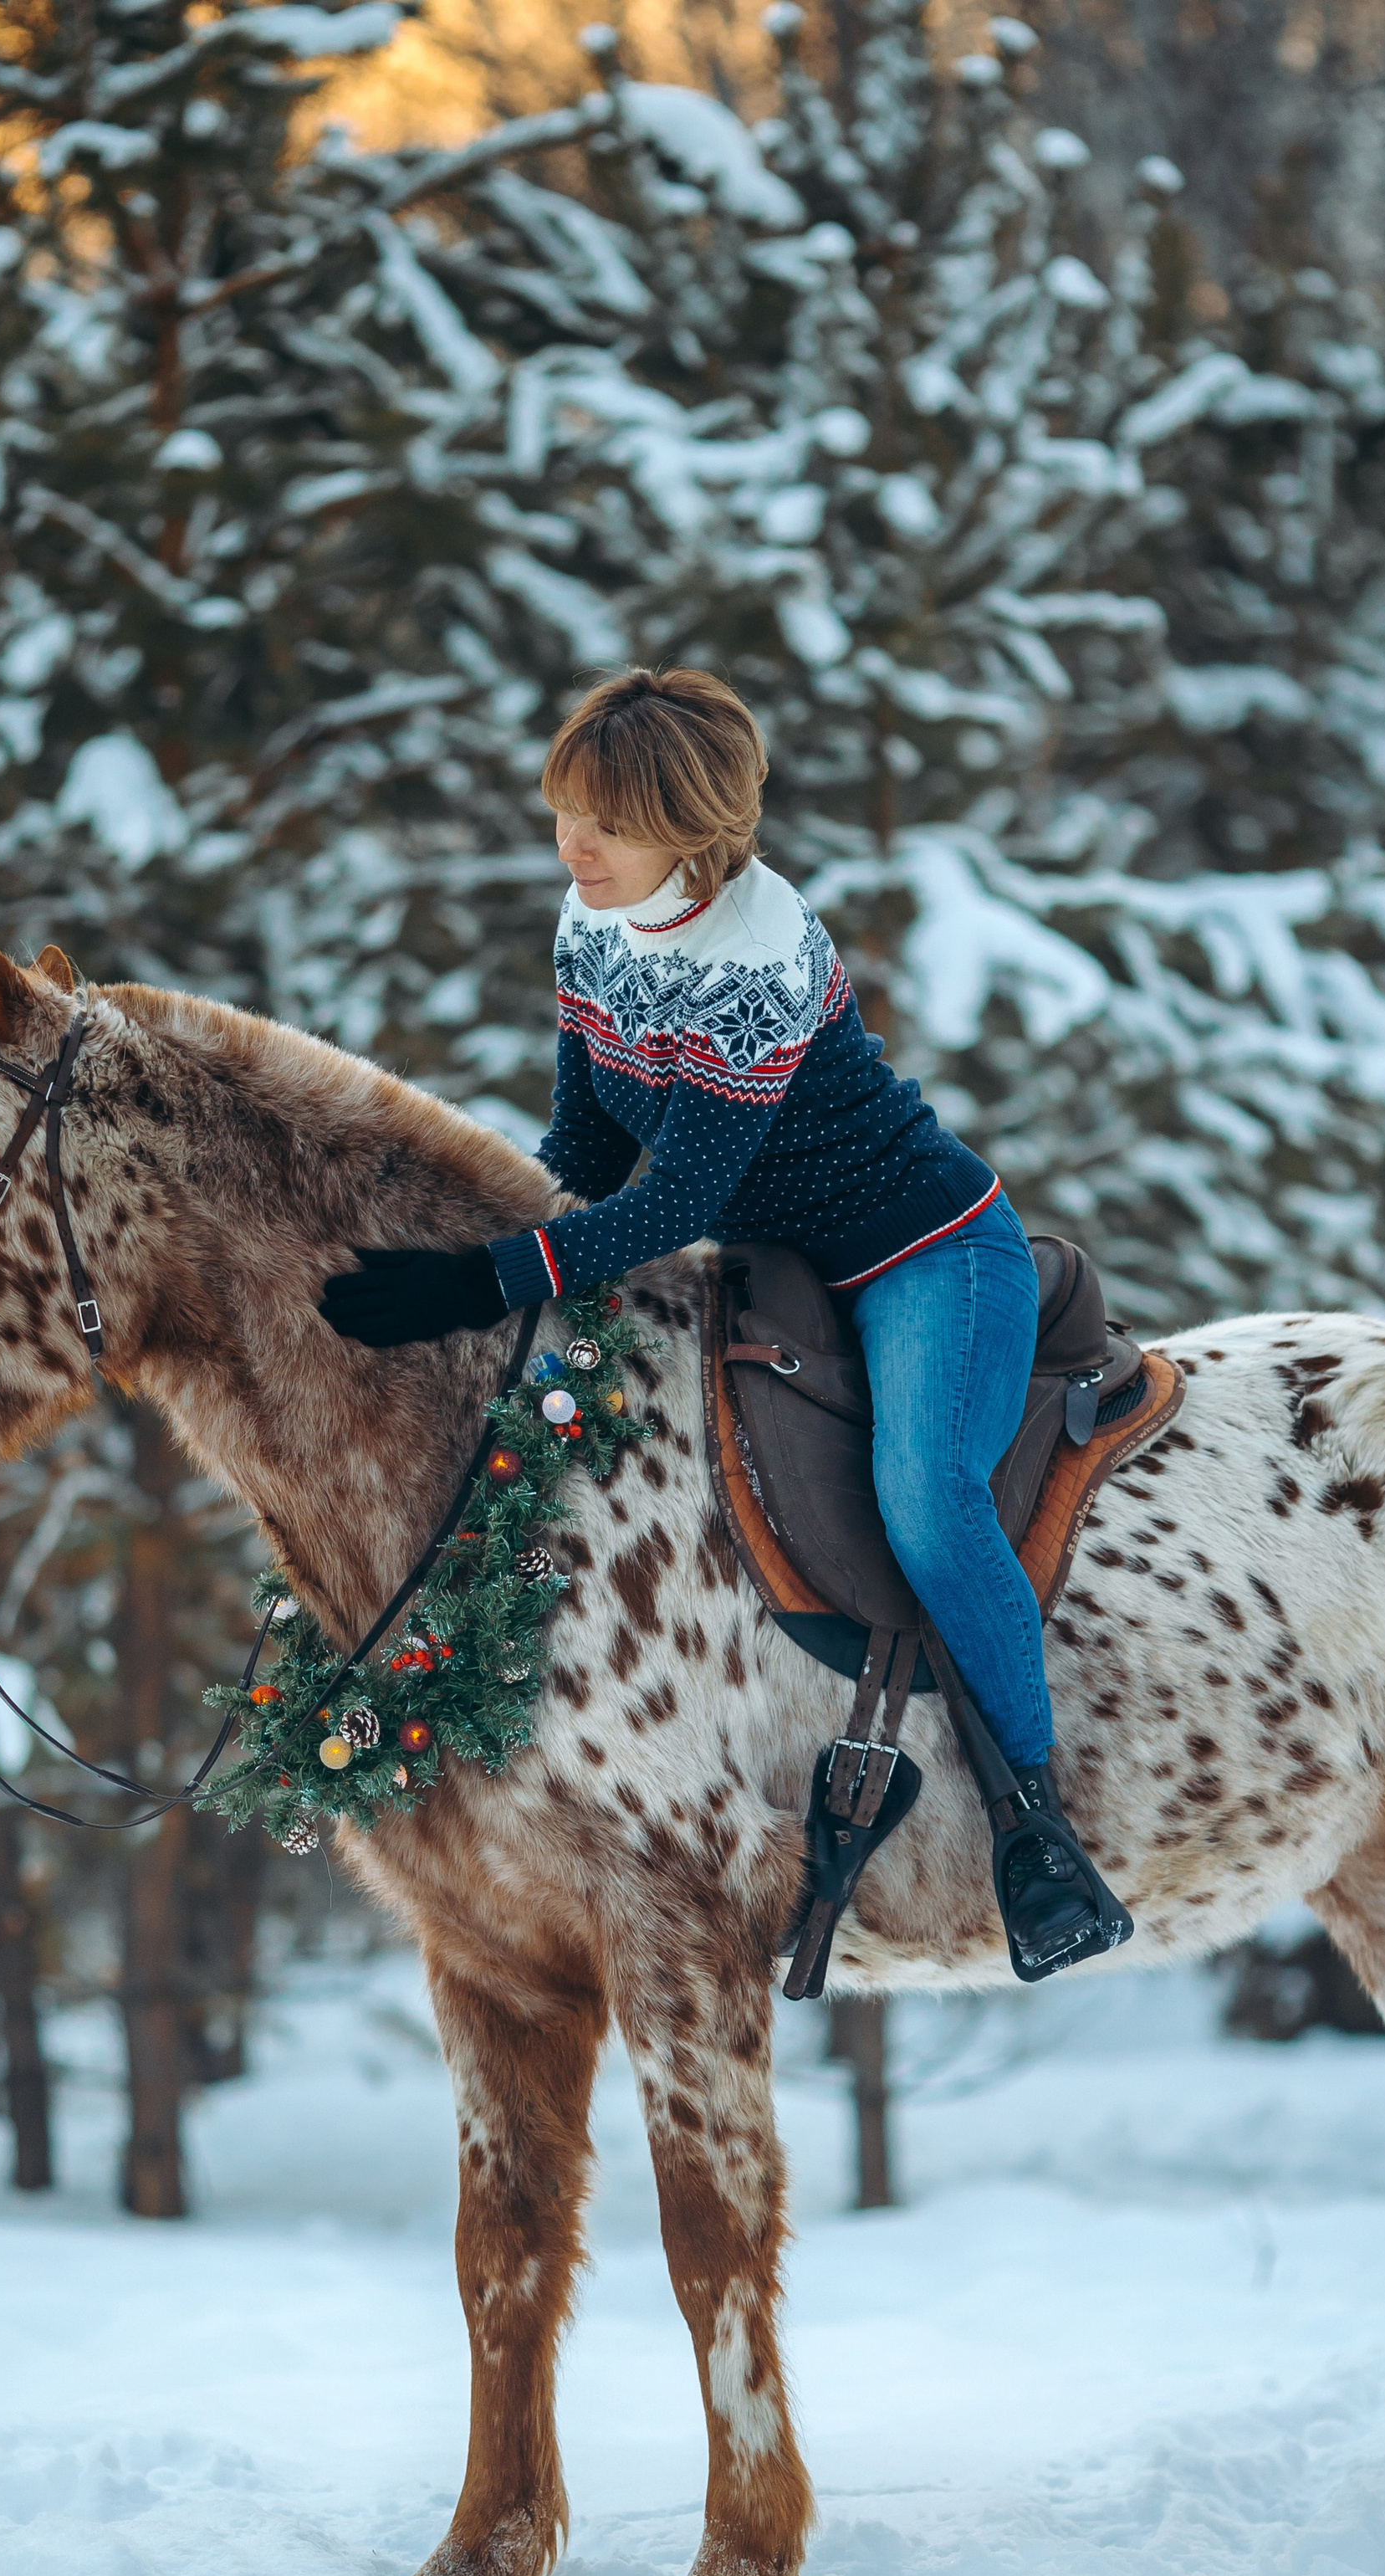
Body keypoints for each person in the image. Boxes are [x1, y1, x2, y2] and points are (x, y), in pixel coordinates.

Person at [319, 665, 1131, 1980]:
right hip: (772, 1266)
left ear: (694, 831)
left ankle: (1037, 1827)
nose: (572, 845)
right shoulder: (592, 923)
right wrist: (459, 1257)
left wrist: (486, 1279)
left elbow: (682, 1193)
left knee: (924, 1495)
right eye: (564, 812)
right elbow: (585, 1147)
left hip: (919, 1251)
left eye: (605, 823)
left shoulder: (755, 949)